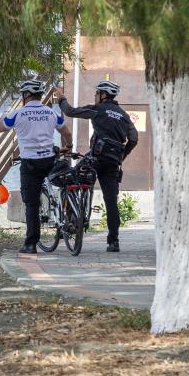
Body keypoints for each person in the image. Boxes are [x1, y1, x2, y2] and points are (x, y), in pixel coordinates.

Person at [0, 80, 73, 254]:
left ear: (26, 95)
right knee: (64, 185)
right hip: (50, 160)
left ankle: (30, 244)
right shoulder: (51, 113)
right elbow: (66, 132)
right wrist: (68, 148)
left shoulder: (19, 113)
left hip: (30, 163)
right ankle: (68, 219)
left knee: (32, 204)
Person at [53, 80, 138, 252]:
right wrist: (122, 156)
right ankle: (113, 242)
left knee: (70, 179)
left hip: (96, 159)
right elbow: (134, 139)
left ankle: (71, 222)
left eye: (96, 93)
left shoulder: (98, 109)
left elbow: (70, 111)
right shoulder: (124, 115)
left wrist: (61, 98)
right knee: (111, 202)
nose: (95, 96)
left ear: (103, 95)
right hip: (113, 162)